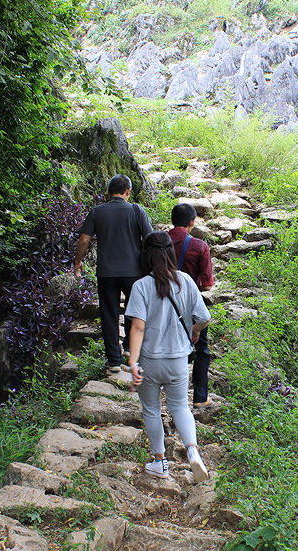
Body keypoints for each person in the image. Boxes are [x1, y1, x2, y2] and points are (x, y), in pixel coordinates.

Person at [124, 228, 211, 482]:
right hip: (178, 361)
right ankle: (193, 452)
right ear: (170, 254)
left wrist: (133, 362)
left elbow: (138, 326)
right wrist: (195, 331)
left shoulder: (141, 286)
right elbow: (204, 318)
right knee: (180, 406)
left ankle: (159, 462)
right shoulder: (185, 281)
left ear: (146, 256)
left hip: (150, 361)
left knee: (151, 409)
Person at [73, 174, 154, 373]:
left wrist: (78, 262)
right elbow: (151, 238)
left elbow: (84, 239)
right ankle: (129, 348)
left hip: (106, 272)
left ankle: (113, 361)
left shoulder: (97, 212)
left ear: (108, 192)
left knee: (109, 313)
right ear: (128, 191)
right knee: (134, 310)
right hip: (133, 272)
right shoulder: (136, 210)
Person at [168, 200, 217, 412]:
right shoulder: (199, 246)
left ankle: (169, 395)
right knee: (202, 349)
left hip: (161, 298)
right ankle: (199, 397)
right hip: (189, 304)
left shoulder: (157, 242)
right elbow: (207, 284)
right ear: (192, 222)